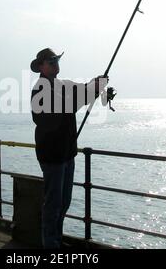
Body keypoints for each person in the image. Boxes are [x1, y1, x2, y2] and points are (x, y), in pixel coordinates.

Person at [30, 48, 108, 248]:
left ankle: (55, 239)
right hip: (52, 155)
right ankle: (51, 245)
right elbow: (49, 115)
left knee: (63, 202)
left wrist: (96, 83)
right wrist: (83, 96)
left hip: (66, 153)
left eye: (57, 59)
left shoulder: (62, 84)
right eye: (51, 60)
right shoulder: (40, 88)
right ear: (41, 66)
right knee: (53, 204)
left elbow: (82, 90)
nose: (55, 63)